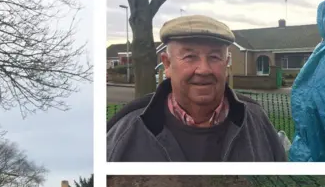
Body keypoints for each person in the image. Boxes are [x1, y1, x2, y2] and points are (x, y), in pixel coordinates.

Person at [107, 15, 286, 162]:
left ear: (227, 63)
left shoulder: (257, 121)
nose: (204, 69)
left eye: (215, 57)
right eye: (190, 56)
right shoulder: (125, 134)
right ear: (167, 64)